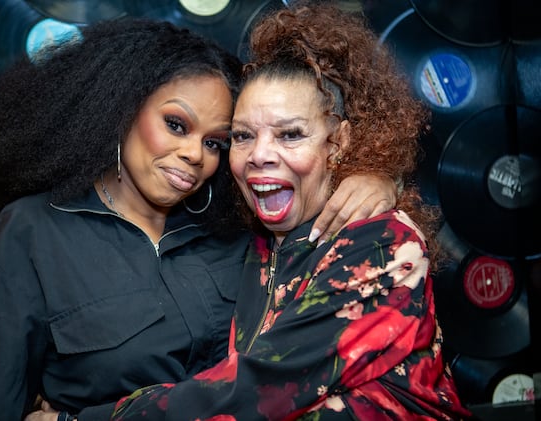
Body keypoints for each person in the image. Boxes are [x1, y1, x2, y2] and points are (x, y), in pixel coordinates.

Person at [0, 15, 397, 421]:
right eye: (177, 125)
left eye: (216, 142)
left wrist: (374, 180)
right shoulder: (33, 231)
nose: (194, 155)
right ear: (121, 109)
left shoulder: (243, 225)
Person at [93, 3, 472, 420]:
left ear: (339, 142)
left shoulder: (382, 243)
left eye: (290, 134)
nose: (259, 155)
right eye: (241, 136)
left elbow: (257, 390)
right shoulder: (253, 242)